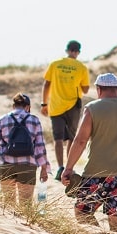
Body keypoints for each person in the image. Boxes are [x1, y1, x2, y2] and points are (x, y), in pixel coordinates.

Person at [62, 72, 117, 233]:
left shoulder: (93, 108)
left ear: (99, 89)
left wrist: (68, 168)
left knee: (82, 212)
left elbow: (80, 140)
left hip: (97, 172)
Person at [0, 93, 50, 207]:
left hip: (6, 165)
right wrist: (44, 168)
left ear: (13, 106)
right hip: (27, 166)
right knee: (26, 205)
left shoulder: (2, 120)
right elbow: (40, 147)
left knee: (8, 204)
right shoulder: (34, 120)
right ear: (27, 107)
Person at [42, 39, 91, 177]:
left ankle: (60, 167)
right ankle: (69, 168)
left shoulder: (55, 64)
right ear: (78, 52)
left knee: (58, 138)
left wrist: (44, 103)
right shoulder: (81, 67)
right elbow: (86, 89)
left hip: (56, 105)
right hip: (73, 106)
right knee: (71, 137)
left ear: (67, 50)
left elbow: (46, 84)